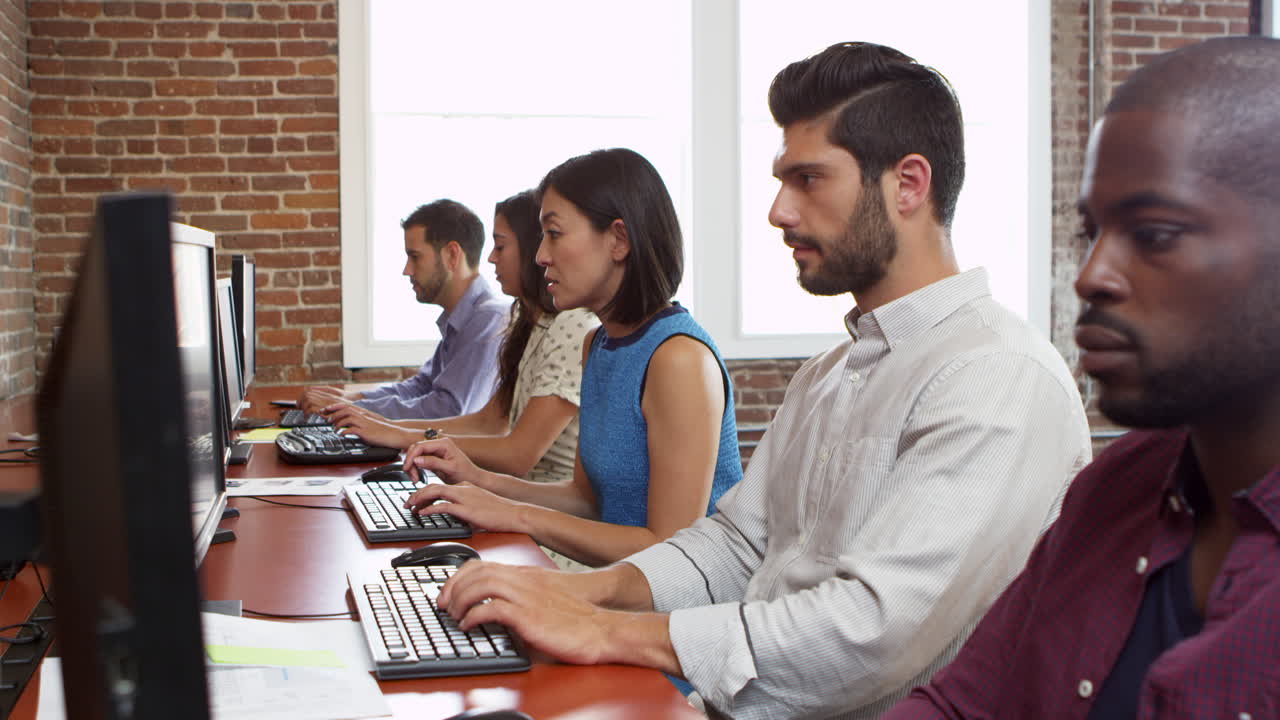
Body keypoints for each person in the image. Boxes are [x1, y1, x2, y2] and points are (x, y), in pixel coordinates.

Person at [421, 42, 1091, 720]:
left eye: (808, 179)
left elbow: (869, 631)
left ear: (908, 184)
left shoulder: (999, 375)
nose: (779, 211)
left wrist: (605, 630)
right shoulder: (827, 375)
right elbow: (735, 546)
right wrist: (577, 594)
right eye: (781, 180)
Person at [881, 36, 1280, 719]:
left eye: (1154, 234)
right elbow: (961, 705)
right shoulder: (1116, 488)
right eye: (1089, 232)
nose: (1091, 276)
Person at [402, 148, 743, 569]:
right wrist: (479, 480)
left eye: (554, 233)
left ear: (618, 240)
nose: (540, 255)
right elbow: (586, 499)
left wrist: (515, 514)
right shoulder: (598, 344)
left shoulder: (679, 359)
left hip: (678, 603)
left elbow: (670, 553)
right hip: (616, 585)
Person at [325, 190, 596, 485]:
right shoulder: (528, 322)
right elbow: (487, 423)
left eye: (500, 246)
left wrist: (400, 435)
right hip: (519, 495)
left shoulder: (569, 323)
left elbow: (518, 455)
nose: (490, 258)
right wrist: (390, 428)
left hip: (539, 501)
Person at [298, 199, 509, 419]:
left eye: (415, 257)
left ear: (452, 255)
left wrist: (351, 408)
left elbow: (448, 409)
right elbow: (421, 387)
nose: (407, 270)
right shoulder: (461, 317)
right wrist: (350, 399)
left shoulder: (488, 319)